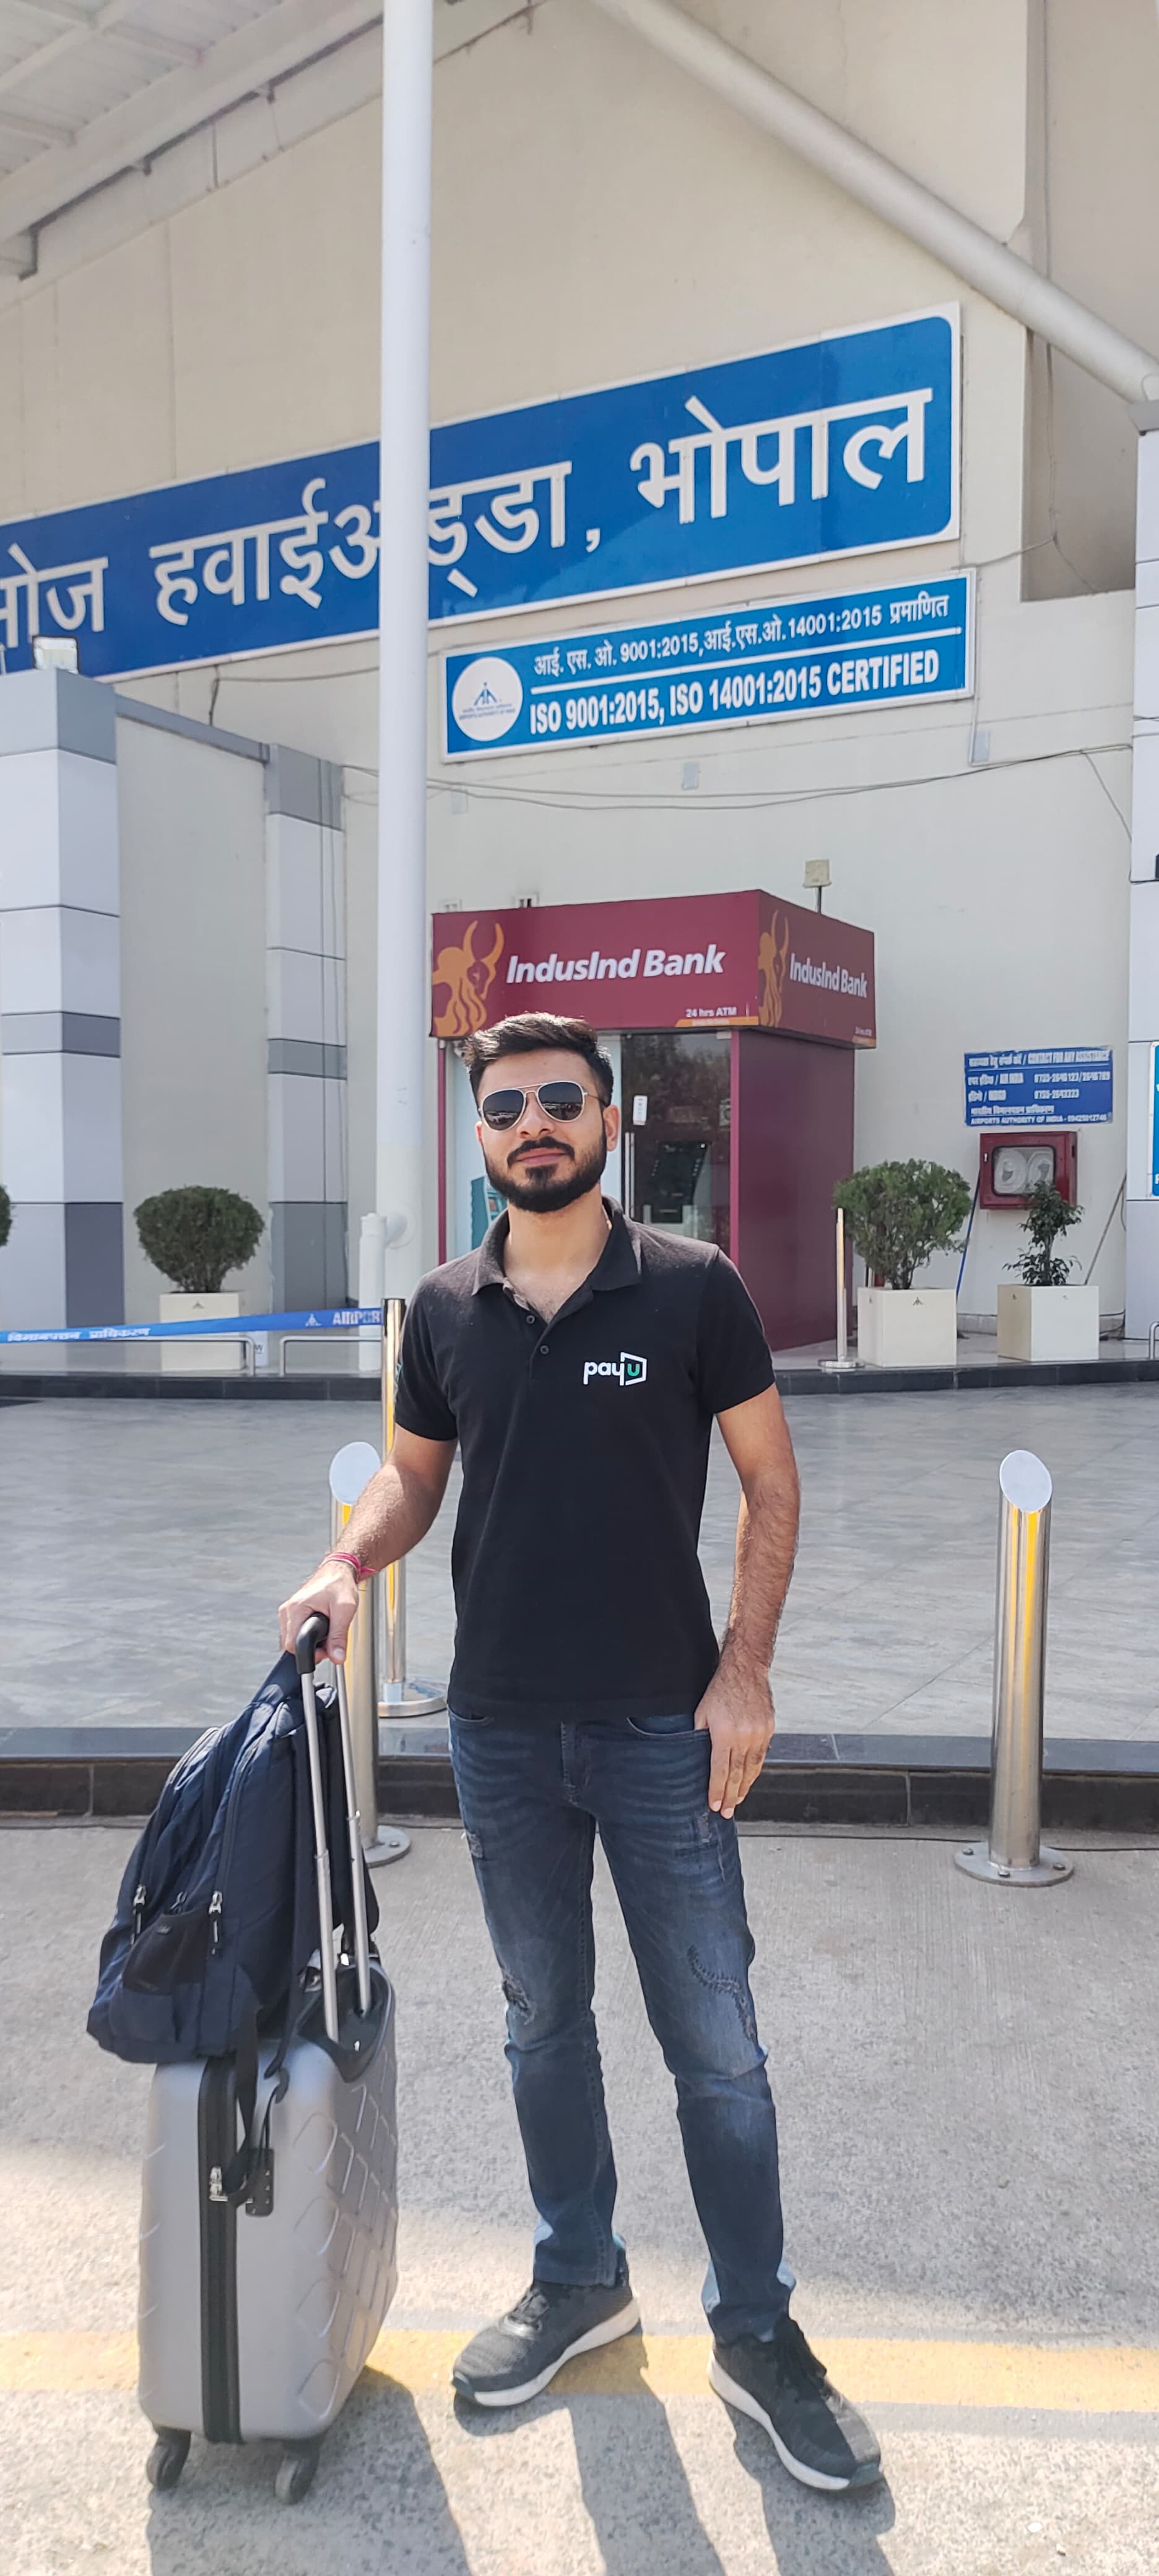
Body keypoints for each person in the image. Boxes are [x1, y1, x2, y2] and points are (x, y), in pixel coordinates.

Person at [279, 1011, 880, 2494]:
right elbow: (413, 1480)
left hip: (664, 1729)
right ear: (479, 1134)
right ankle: (578, 2275)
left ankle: (758, 2329)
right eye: (505, 1107)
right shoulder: (442, 1308)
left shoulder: (693, 1288)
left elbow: (771, 1479)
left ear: (609, 1120)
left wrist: (745, 1669)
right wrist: (347, 1564)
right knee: (541, 2018)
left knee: (715, 2040)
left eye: (560, 1099)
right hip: (498, 1726)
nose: (532, 1124)